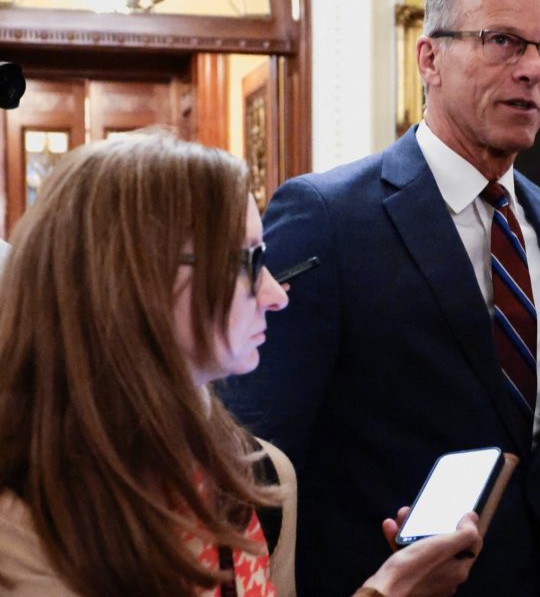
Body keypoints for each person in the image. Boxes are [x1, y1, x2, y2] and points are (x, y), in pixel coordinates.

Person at [222, 0, 540, 596]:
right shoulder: (327, 215)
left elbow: (539, 421)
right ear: (429, 58)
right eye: (503, 41)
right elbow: (259, 447)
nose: (532, 70)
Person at [0, 132, 482, 597]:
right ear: (135, 276)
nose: (275, 295)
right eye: (248, 261)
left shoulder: (259, 477)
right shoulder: (22, 513)